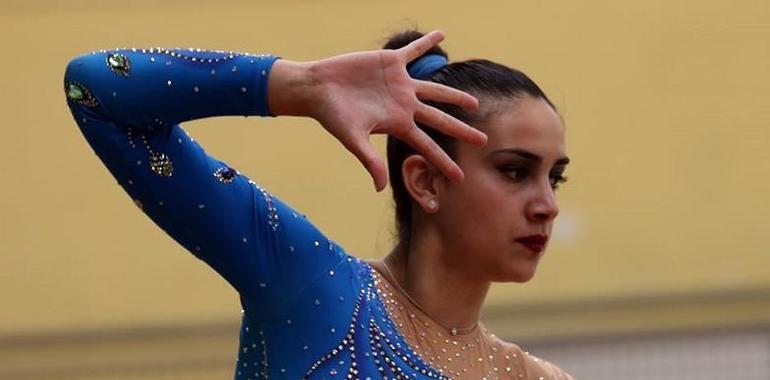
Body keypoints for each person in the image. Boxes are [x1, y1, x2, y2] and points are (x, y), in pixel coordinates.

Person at [64, 30, 573, 379]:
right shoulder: (310, 286)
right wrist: (301, 87)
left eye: (554, 178)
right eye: (515, 171)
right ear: (427, 184)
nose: (546, 205)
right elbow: (95, 89)